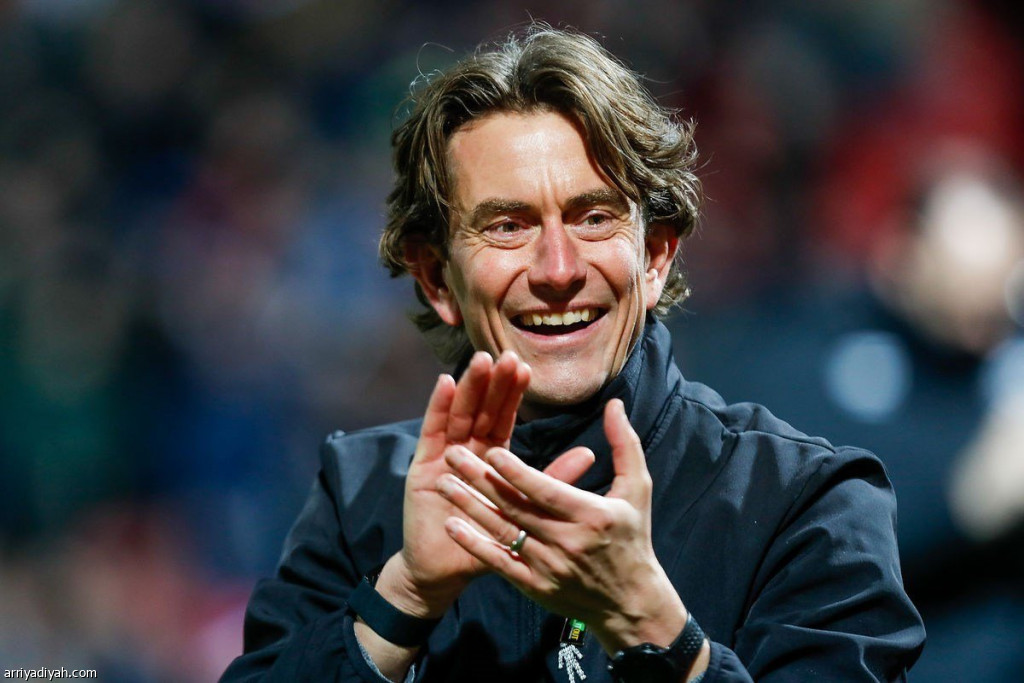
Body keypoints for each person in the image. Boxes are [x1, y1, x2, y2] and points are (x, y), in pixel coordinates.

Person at [221, 26, 924, 682]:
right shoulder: (359, 497)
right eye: (507, 225)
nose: (558, 268)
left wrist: (654, 628)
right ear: (437, 278)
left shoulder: (808, 506)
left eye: (594, 217)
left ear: (654, 256)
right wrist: (402, 597)